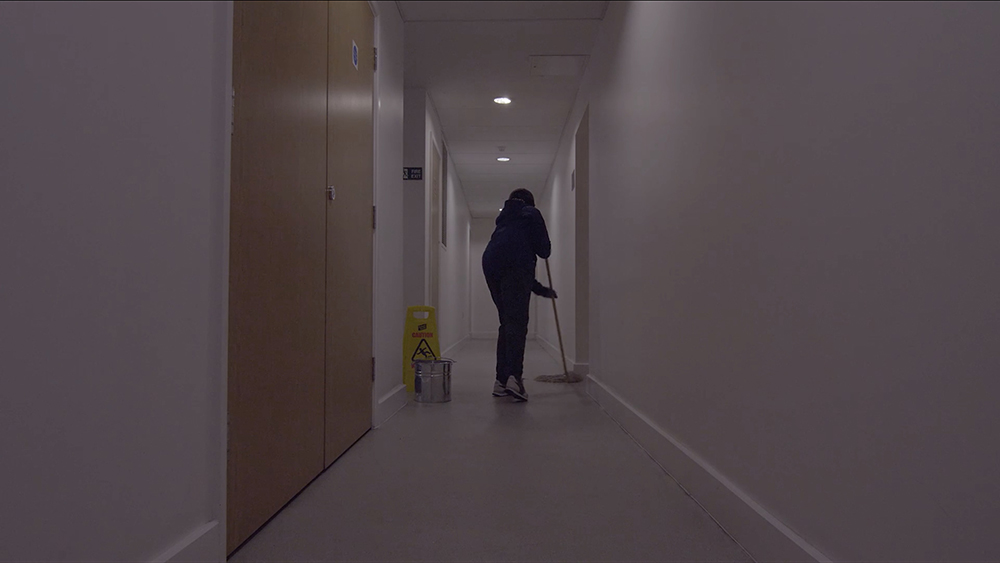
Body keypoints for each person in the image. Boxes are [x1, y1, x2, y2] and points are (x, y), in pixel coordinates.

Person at [482, 188, 557, 402]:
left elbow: (514, 265)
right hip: (512, 267)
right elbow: (544, 251)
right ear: (529, 202)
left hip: (490, 264)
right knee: (517, 324)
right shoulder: (532, 213)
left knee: (507, 323)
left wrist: (541, 290)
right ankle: (515, 378)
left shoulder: (503, 222)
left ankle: (501, 381)